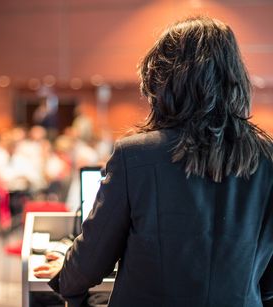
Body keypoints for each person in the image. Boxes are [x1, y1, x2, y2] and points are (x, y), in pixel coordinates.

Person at [33, 16, 273, 307]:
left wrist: (65, 274)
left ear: (162, 81)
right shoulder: (267, 158)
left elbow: (91, 261)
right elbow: (268, 280)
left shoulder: (134, 156)